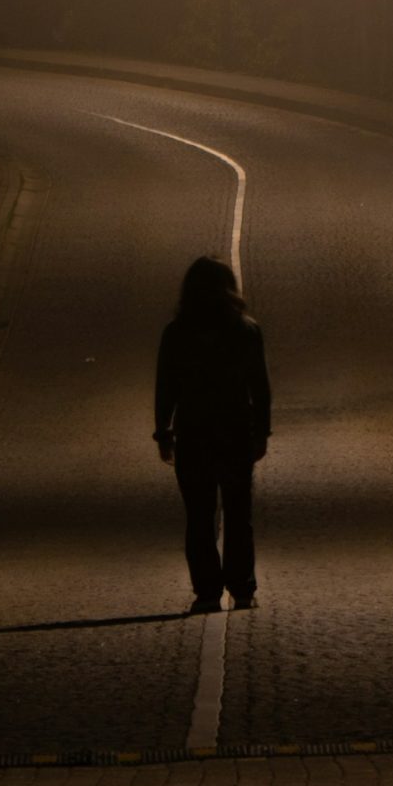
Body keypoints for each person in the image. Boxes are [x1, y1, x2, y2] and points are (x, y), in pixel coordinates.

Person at [154, 256, 271, 610]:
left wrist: (164, 432)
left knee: (200, 518)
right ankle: (242, 588)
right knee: (238, 514)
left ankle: (207, 591)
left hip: (195, 434)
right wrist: (261, 432)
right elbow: (260, 387)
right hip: (235, 432)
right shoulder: (245, 331)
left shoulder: (176, 334)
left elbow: (166, 387)